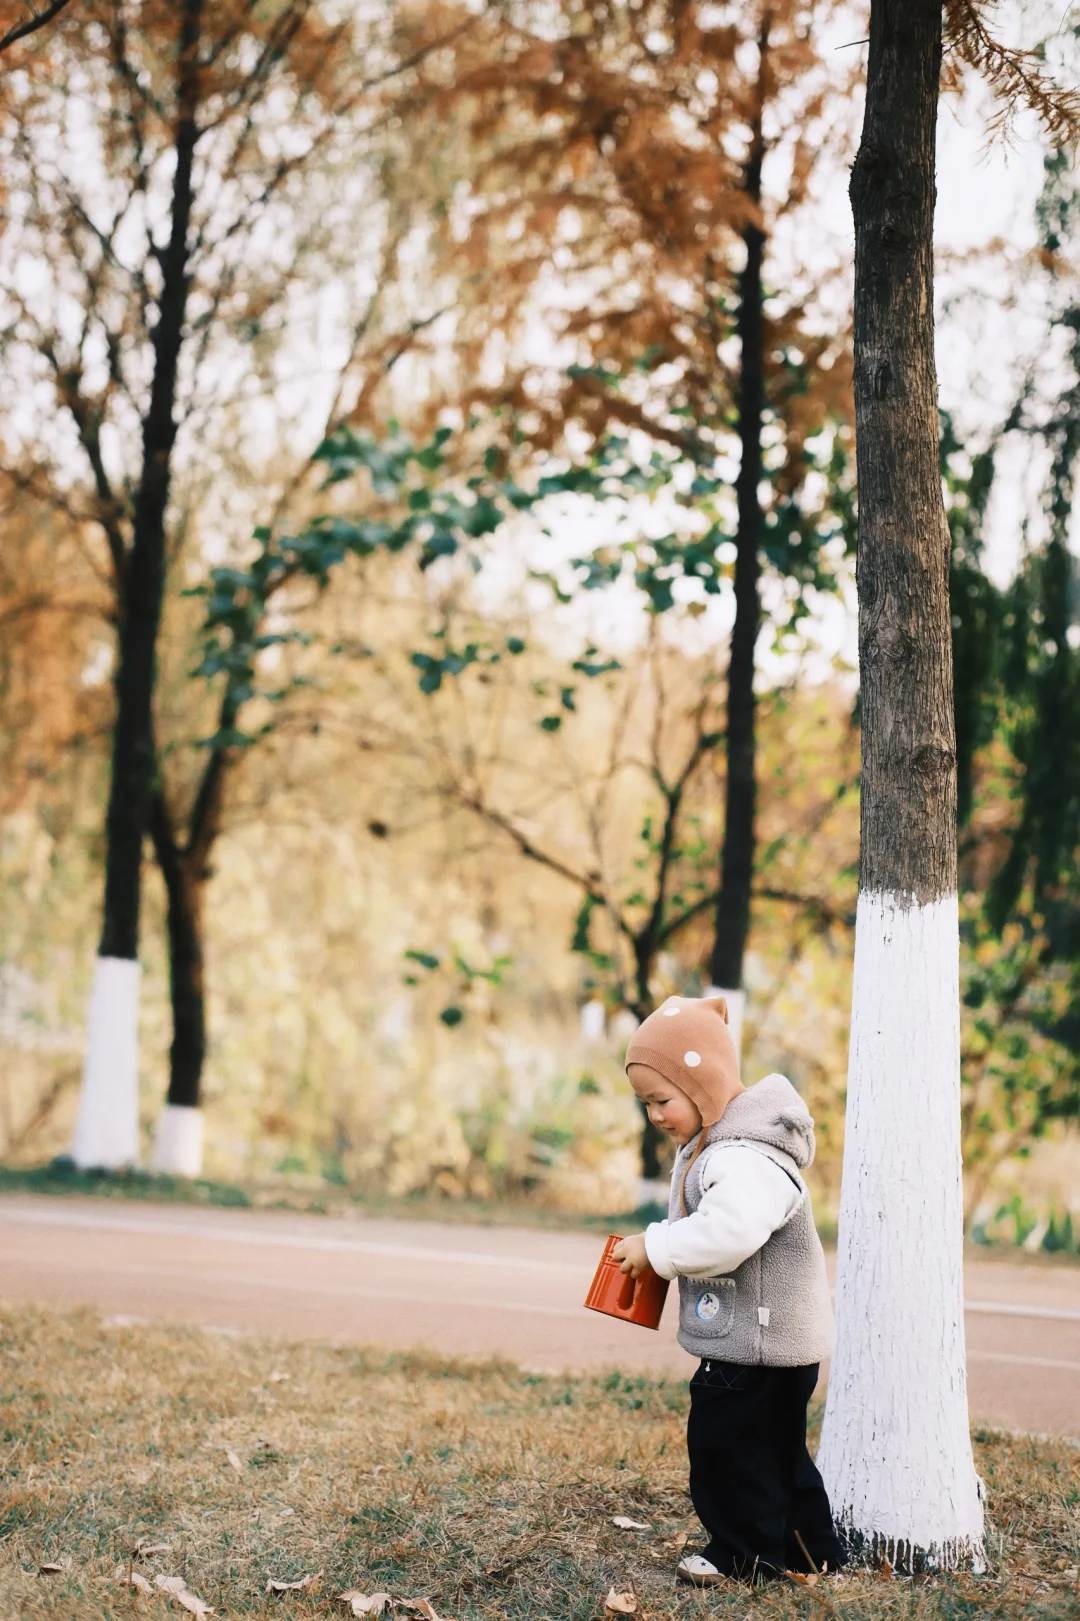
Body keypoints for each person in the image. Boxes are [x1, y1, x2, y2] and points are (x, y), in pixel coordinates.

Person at [613, 993, 846, 1587]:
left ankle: (741, 1555)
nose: (655, 1116)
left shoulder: (744, 1153)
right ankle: (811, 1550)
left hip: (757, 1345)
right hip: (768, 1344)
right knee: (775, 1452)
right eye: (646, 1104)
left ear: (704, 1082)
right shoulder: (727, 1144)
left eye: (661, 1099)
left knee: (726, 1450)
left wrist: (657, 1248)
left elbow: (731, 1231)